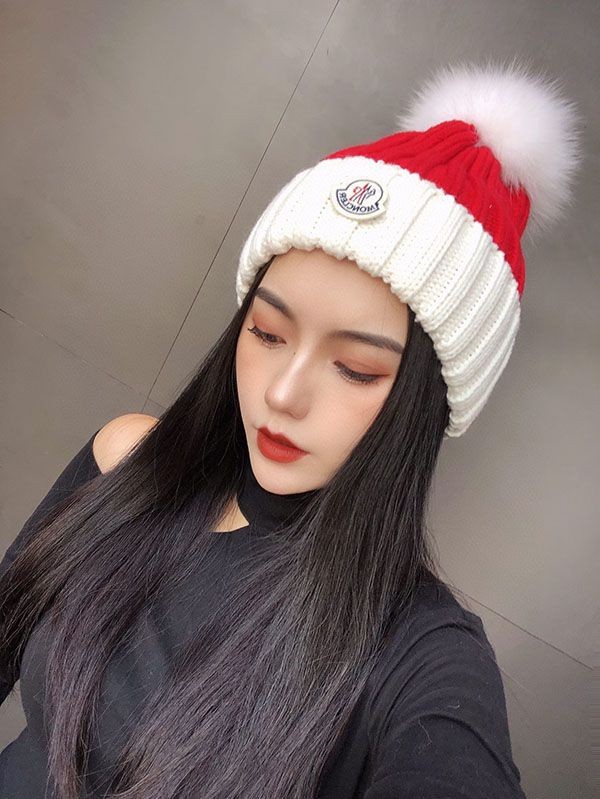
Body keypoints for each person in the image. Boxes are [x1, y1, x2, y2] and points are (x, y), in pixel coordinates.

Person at [0, 60, 581, 798]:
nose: (282, 393)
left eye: (356, 369)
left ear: (424, 406)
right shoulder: (127, 461)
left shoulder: (420, 657)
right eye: (268, 333)